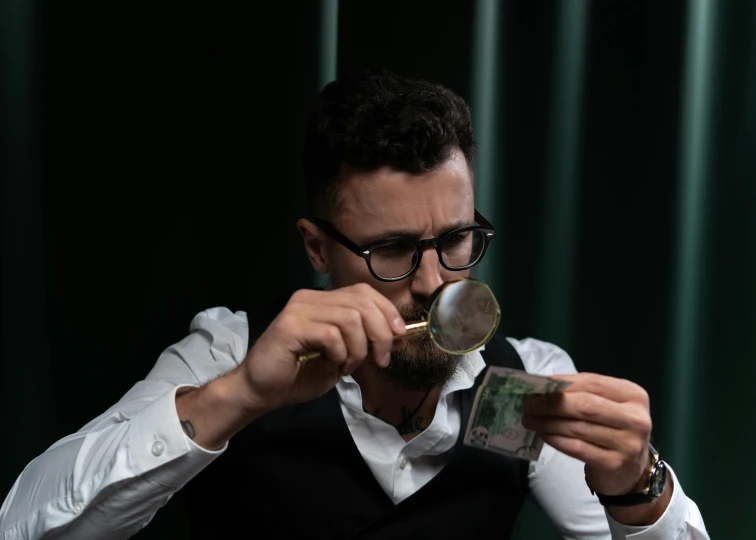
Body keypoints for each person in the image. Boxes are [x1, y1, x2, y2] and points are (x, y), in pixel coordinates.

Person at [0, 68, 709, 540]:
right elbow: (25, 525)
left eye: (457, 239)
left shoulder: (517, 386)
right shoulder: (225, 353)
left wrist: (635, 485)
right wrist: (239, 397)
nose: (434, 282)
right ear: (317, 248)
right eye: (394, 250)